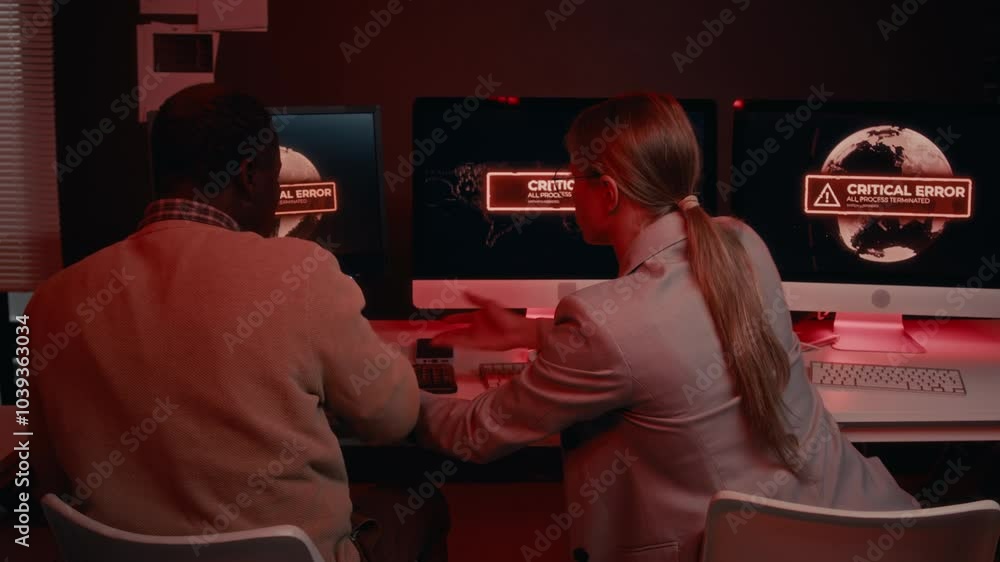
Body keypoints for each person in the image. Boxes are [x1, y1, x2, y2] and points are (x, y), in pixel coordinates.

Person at [416, 93, 918, 562]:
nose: (567, 189)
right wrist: (526, 333)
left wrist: (376, 389)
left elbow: (475, 434)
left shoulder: (606, 323)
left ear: (608, 193)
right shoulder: (740, 243)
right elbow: (663, 351)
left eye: (574, 176)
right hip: (875, 528)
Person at [27, 83, 447, 562]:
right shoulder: (300, 272)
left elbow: (48, 473)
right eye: (277, 177)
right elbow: (391, 419)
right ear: (250, 174)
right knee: (418, 503)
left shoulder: (49, 303)